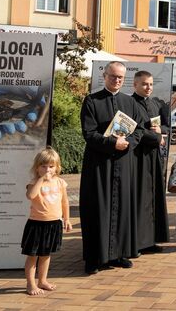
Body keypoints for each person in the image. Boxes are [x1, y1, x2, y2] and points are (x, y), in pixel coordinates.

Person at [79, 61, 147, 274]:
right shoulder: (92, 101)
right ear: (105, 76)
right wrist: (112, 143)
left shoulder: (131, 103)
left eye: (120, 77)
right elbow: (89, 133)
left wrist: (128, 143)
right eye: (113, 76)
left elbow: (140, 129)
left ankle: (119, 254)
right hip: (99, 165)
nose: (116, 80)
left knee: (123, 208)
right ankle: (95, 258)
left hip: (124, 162)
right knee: (98, 209)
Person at [22, 147, 71, 295]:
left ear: (57, 167)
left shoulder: (60, 182)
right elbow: (31, 195)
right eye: (43, 166)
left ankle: (42, 281)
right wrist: (41, 179)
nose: (47, 169)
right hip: (36, 224)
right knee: (33, 255)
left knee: (46, 254)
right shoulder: (34, 182)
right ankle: (30, 284)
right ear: (37, 168)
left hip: (54, 223)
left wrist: (67, 219)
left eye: (51, 166)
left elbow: (65, 201)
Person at [131, 71, 170, 254]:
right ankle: (137, 241)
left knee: (154, 196)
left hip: (154, 157)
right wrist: (155, 137)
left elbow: (165, 126)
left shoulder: (155, 103)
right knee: (140, 198)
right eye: (145, 84)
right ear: (135, 85)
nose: (148, 88)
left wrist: (159, 129)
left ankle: (151, 240)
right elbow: (133, 131)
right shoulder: (129, 104)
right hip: (138, 157)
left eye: (151, 84)